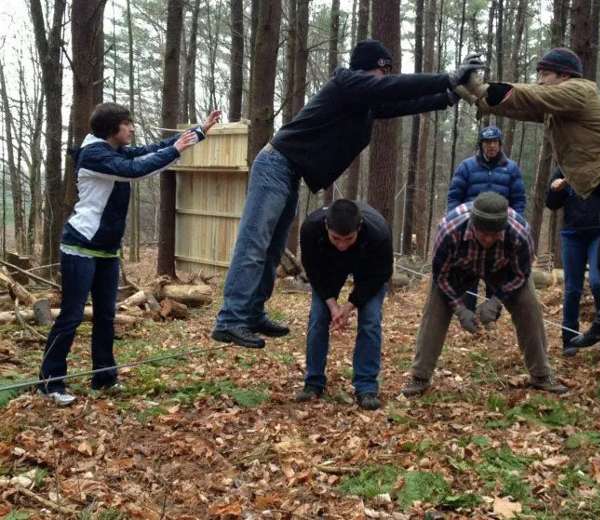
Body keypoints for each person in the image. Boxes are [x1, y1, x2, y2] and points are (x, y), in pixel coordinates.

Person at [212, 39, 483, 349]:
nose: (384, 78)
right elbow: (392, 88)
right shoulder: (346, 82)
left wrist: (447, 96)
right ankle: (231, 319)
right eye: (381, 71)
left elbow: (402, 103)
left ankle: (252, 313)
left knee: (272, 249)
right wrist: (447, 77)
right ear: (366, 70)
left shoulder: (362, 103)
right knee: (254, 243)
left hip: (289, 173)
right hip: (274, 165)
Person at [466, 47, 600, 353]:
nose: (539, 80)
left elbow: (527, 96)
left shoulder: (579, 91)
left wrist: (479, 86)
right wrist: (470, 93)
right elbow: (516, 107)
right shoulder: (556, 105)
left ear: (564, 76)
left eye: (544, 74)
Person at [38, 102, 221, 406]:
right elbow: (136, 171)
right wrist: (175, 148)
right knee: (71, 316)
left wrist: (199, 132)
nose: (132, 128)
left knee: (106, 315)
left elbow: (151, 153)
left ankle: (104, 377)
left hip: (107, 250)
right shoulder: (95, 155)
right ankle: (50, 382)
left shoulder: (113, 150)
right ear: (113, 129)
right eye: (128, 124)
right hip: (80, 246)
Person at [401, 192, 567, 397]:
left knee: (528, 305)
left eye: (494, 233)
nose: (488, 239)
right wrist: (460, 309)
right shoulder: (449, 230)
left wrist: (496, 301)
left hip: (501, 269)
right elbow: (440, 277)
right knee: (435, 308)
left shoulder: (520, 232)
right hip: (458, 271)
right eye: (483, 233)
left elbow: (521, 274)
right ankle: (420, 375)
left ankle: (541, 374)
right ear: (473, 225)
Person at [296, 200, 393, 410]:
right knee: (318, 317)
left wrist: (349, 306)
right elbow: (314, 271)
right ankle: (313, 383)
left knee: (370, 320)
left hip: (368, 270)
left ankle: (366, 387)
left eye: (348, 238)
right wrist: (332, 306)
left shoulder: (378, 232)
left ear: (359, 228)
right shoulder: (311, 228)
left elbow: (380, 275)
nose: (342, 245)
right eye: (336, 238)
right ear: (326, 227)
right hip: (328, 269)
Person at [447, 125, 526, 314]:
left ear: (500, 144)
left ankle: (491, 317)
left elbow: (519, 201)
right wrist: (455, 224)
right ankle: (469, 317)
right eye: (487, 142)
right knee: (468, 272)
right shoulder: (466, 167)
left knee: (497, 274)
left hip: (500, 230)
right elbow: (454, 197)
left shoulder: (511, 169)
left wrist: (515, 225)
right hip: (470, 229)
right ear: (481, 145)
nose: (491, 146)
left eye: (494, 142)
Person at [544, 168, 600, 357]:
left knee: (598, 283)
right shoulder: (562, 168)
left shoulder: (599, 163)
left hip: (598, 232)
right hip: (572, 235)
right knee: (573, 289)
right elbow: (551, 204)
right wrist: (558, 188)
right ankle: (569, 338)